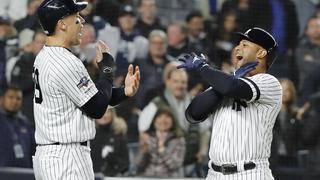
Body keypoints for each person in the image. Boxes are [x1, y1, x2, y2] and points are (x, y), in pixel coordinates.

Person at [32, 0, 140, 180]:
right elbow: (96, 108)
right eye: (76, 17)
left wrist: (124, 92)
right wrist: (107, 70)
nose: (82, 21)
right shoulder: (65, 62)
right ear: (61, 24)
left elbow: (90, 98)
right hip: (67, 159)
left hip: (53, 155)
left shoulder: (45, 55)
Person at [177, 27, 282, 179]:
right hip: (214, 174)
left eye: (245, 45)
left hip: (250, 173)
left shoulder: (269, 83)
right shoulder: (224, 84)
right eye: (238, 44)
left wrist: (203, 67)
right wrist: (231, 78)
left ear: (261, 53)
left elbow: (231, 87)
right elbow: (193, 114)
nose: (238, 48)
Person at [136, 107, 185, 178]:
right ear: (154, 120)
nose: (163, 120)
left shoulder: (178, 140)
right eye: (159, 117)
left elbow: (175, 165)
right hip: (147, 177)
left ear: (173, 121)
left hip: (169, 178)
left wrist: (162, 150)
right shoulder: (147, 137)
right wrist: (144, 151)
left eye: (167, 117)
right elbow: (138, 164)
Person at [0, 86, 35, 168]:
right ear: (1, 99)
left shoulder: (25, 123)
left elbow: (34, 149)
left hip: (25, 173)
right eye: (11, 97)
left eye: (18, 98)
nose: (15, 101)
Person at [91, 108, 129, 177]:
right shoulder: (88, 135)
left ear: (112, 114)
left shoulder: (119, 134)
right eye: (100, 111)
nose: (103, 115)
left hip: (112, 177)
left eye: (107, 112)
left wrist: (111, 157)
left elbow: (125, 164)